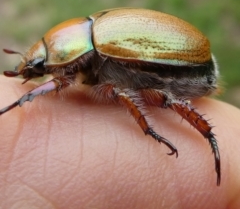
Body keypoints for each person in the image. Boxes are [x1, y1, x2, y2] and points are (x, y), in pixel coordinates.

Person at [0, 75, 239, 209]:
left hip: (181, 71)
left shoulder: (90, 67)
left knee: (162, 99)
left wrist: (24, 97)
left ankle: (208, 135)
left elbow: (58, 81)